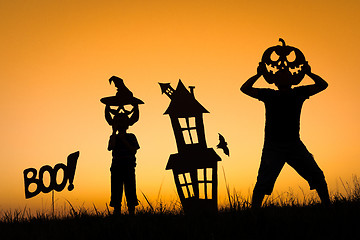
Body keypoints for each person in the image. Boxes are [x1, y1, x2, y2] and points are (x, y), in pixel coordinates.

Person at [241, 62, 331, 208]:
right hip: (273, 146)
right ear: (274, 81)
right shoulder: (269, 94)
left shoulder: (298, 93)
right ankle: (253, 212)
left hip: (294, 144)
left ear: (293, 80)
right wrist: (259, 74)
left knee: (317, 176)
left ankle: (328, 207)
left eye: (287, 74)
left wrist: (308, 73)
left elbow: (323, 85)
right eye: (279, 75)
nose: (283, 76)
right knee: (263, 182)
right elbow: (244, 89)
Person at [106, 104, 140, 215]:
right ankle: (117, 211)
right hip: (116, 167)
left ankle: (131, 212)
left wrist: (124, 140)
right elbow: (110, 147)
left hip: (129, 167)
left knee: (130, 189)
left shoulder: (131, 136)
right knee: (116, 190)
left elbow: (134, 150)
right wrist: (114, 133)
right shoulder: (113, 137)